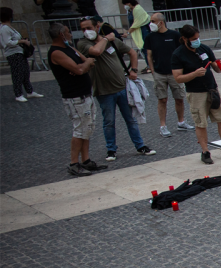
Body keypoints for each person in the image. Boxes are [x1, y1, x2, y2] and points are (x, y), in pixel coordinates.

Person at [76, 17, 154, 161]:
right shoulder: (83, 43)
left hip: (121, 87)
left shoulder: (112, 41)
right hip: (103, 91)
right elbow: (96, 51)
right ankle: (111, 149)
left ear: (97, 26)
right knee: (109, 122)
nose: (86, 31)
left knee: (130, 119)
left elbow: (131, 52)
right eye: (83, 29)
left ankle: (140, 145)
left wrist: (134, 70)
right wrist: (106, 38)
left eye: (89, 28)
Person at [171, 24, 221, 165]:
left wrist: (219, 66)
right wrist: (194, 74)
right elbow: (178, 77)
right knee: (201, 123)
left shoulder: (204, 48)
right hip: (196, 93)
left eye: (198, 37)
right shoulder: (178, 54)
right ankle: (205, 151)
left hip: (212, 89)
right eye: (194, 39)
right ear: (184, 38)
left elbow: (215, 67)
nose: (197, 41)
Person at [47, 23, 107, 176]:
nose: (70, 34)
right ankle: (74, 163)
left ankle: (86, 160)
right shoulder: (56, 52)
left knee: (87, 128)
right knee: (80, 129)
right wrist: (81, 67)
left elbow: (89, 61)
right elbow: (80, 69)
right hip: (74, 97)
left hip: (85, 93)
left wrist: (82, 66)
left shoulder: (70, 49)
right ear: (61, 34)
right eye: (67, 32)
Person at [144, 13, 189, 136]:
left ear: (161, 22)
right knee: (162, 99)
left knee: (179, 98)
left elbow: (181, 52)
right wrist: (152, 70)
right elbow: (149, 55)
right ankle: (163, 126)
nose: (151, 23)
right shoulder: (150, 37)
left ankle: (181, 122)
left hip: (174, 73)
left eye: (153, 21)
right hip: (159, 73)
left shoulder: (174, 35)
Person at [0, 9, 38, 102]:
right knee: (17, 74)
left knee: (25, 72)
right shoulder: (4, 28)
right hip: (13, 54)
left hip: (19, 52)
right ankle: (18, 94)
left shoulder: (9, 27)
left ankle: (29, 91)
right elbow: (7, 42)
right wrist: (22, 41)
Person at [121, 0, 152, 66]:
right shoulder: (131, 10)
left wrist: (128, 32)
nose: (125, 6)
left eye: (125, 4)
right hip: (140, 30)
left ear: (129, 3)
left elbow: (137, 23)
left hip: (143, 30)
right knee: (144, 49)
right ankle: (149, 65)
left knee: (146, 48)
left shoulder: (137, 9)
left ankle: (150, 66)